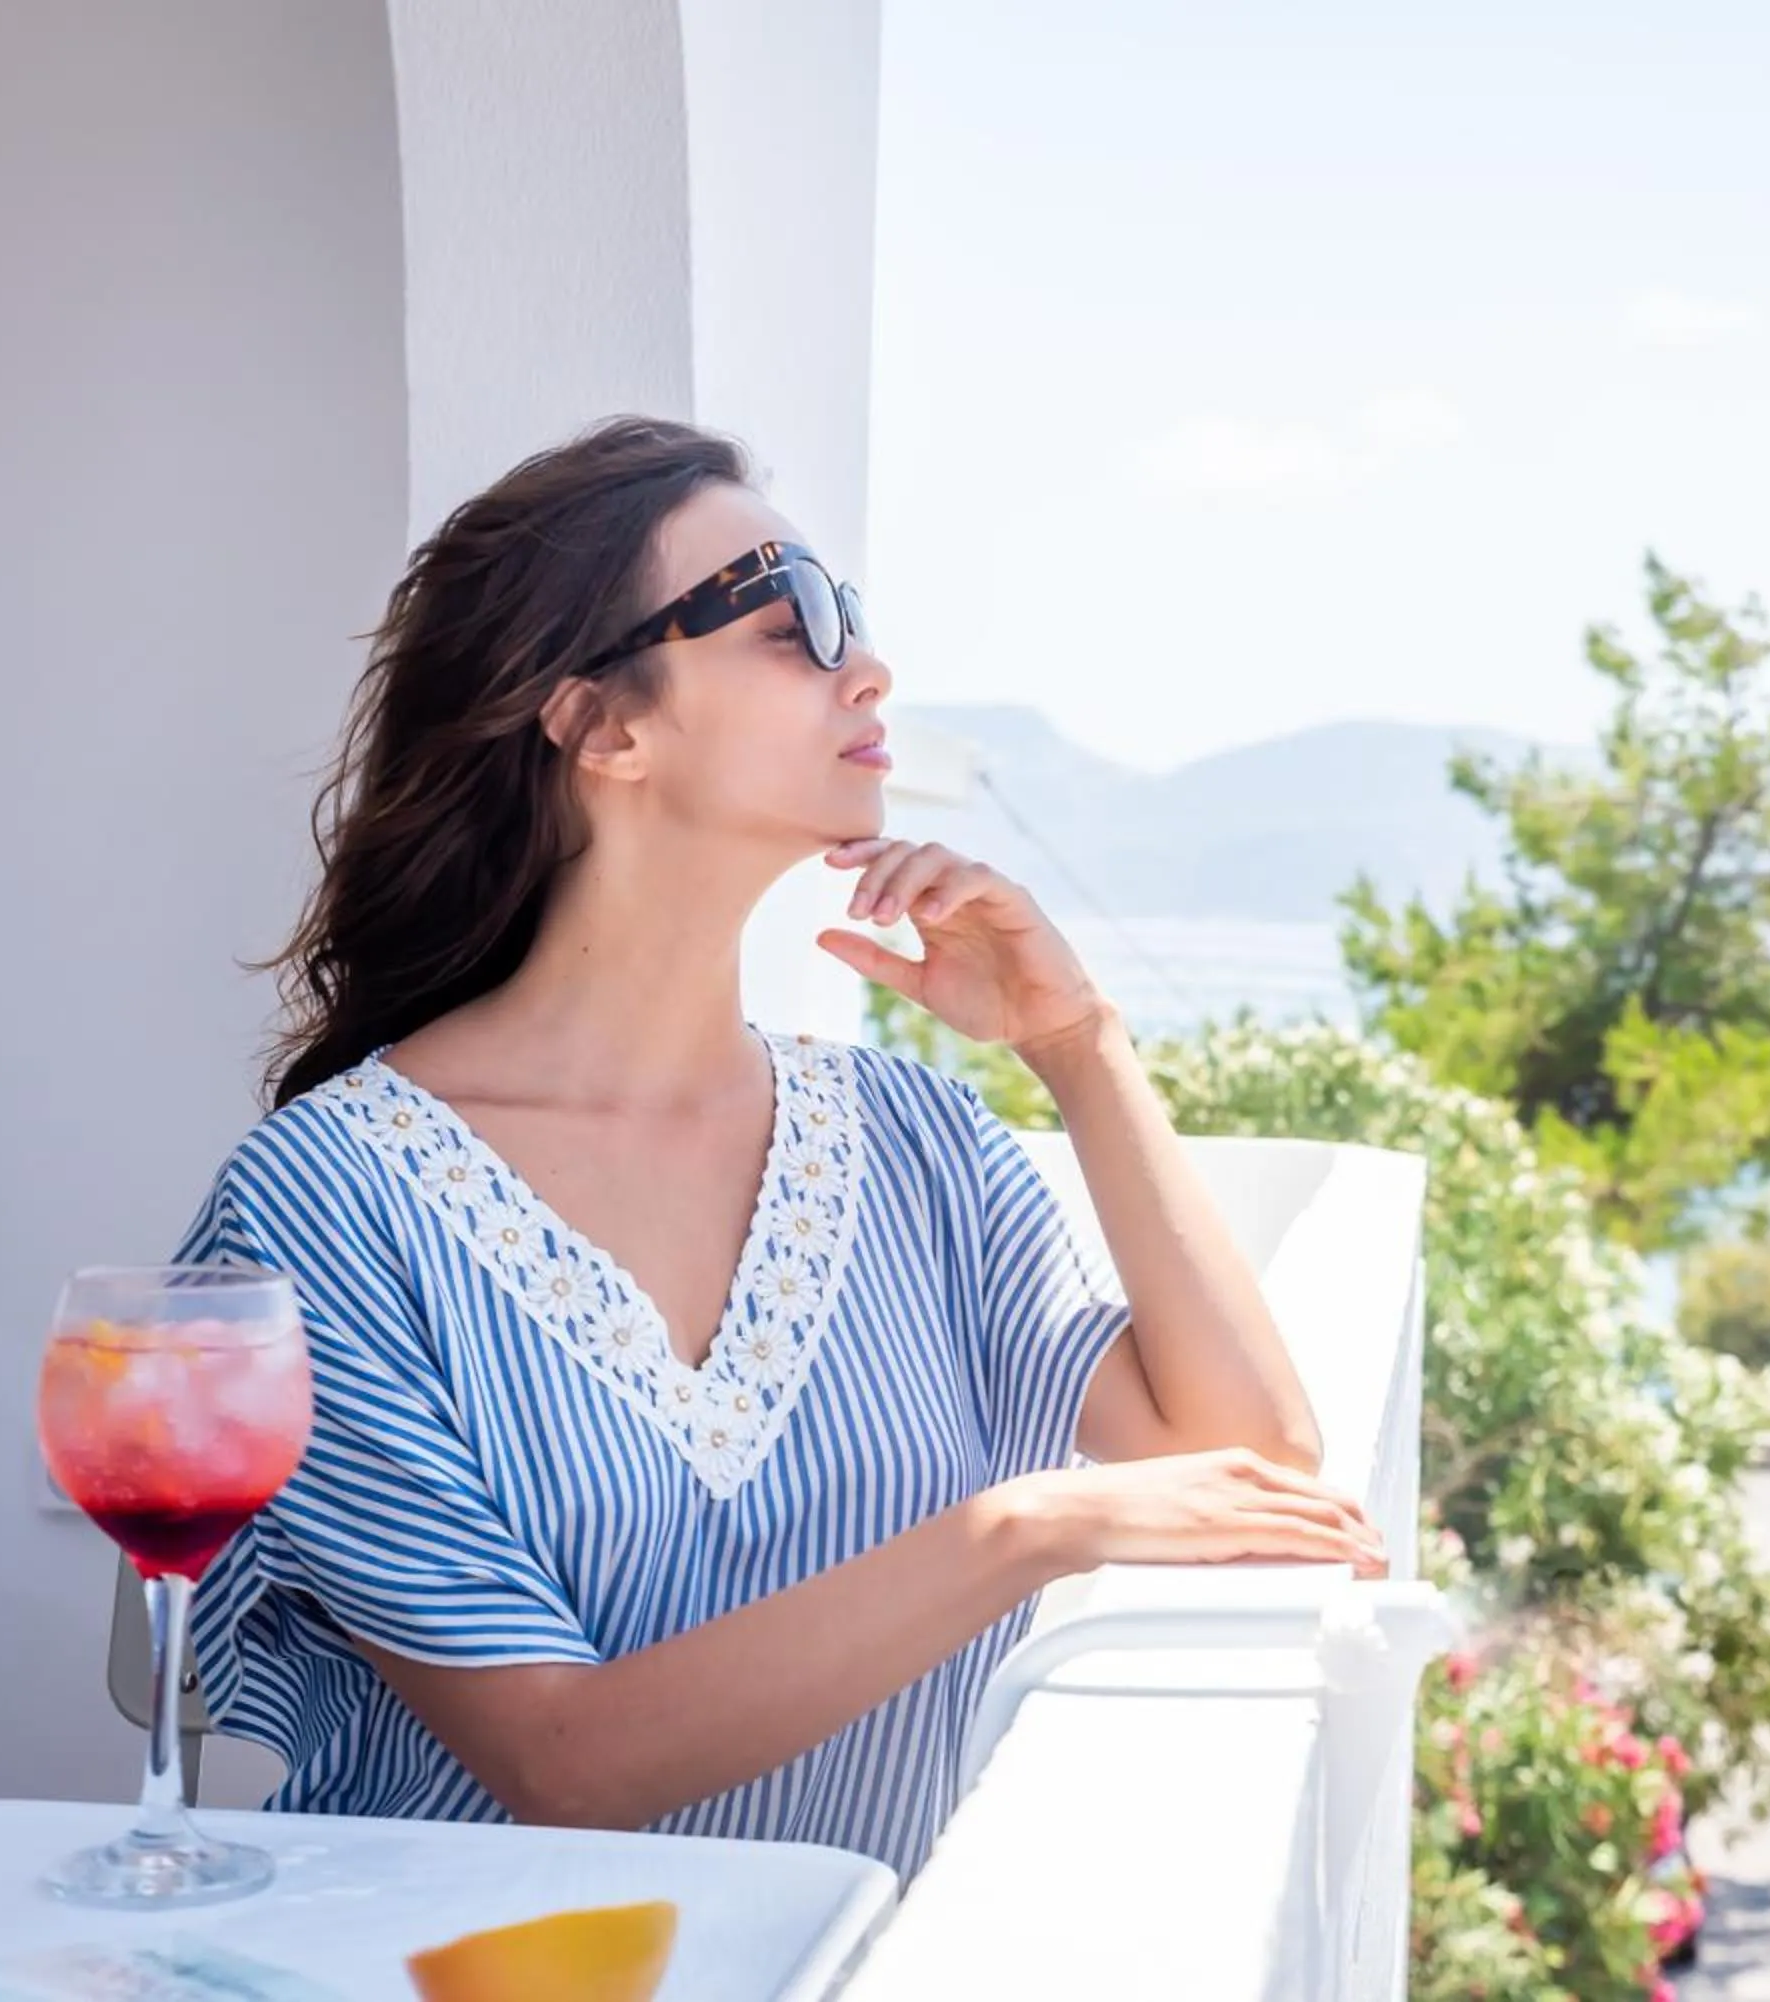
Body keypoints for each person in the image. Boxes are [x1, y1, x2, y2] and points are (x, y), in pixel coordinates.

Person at [173, 416, 1380, 1883]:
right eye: (788, 617)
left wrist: (1079, 1047)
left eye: (853, 619)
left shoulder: (917, 1141)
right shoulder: (326, 1205)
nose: (864, 668)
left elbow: (1250, 1465)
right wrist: (1021, 1529)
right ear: (603, 725)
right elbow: (566, 1760)